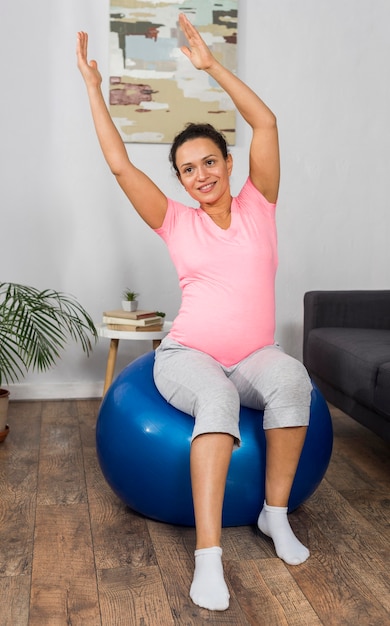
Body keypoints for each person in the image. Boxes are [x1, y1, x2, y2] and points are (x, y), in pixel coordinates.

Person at [77, 13, 313, 612]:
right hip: (189, 356)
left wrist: (212, 68)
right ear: (180, 181)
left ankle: (275, 515)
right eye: (187, 169)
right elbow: (120, 165)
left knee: (293, 380)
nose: (200, 175)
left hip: (255, 355)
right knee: (219, 401)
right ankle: (208, 558)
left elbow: (267, 121)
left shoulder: (261, 202)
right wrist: (92, 89)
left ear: (228, 163)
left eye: (209, 161)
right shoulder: (174, 222)